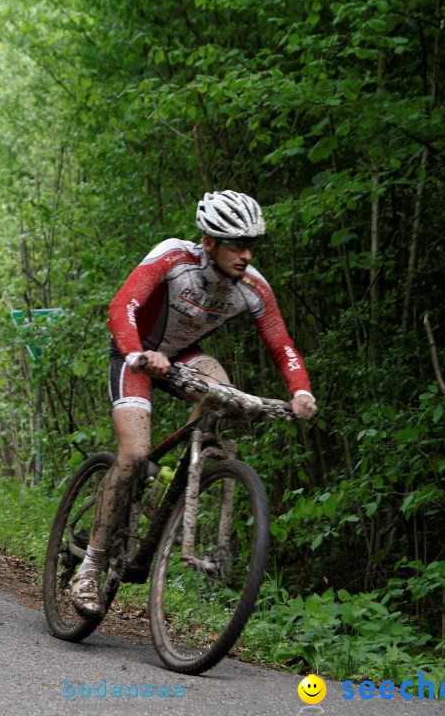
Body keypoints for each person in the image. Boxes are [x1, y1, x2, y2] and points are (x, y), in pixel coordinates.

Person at [70, 190, 318, 617]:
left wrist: (301, 391)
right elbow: (122, 305)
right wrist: (137, 353)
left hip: (183, 357)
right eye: (236, 244)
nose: (246, 254)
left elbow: (282, 345)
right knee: (133, 454)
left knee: (223, 393)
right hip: (137, 354)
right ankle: (90, 565)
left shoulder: (254, 288)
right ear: (209, 242)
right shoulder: (173, 258)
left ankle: (167, 484)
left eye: (250, 244)